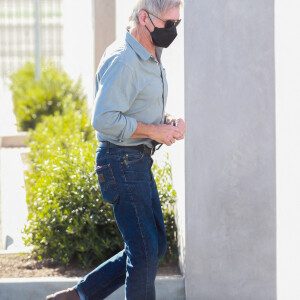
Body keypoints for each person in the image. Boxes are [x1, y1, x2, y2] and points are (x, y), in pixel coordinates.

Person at [46, 0, 185, 299]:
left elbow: (133, 107)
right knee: (145, 253)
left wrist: (166, 121)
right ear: (144, 18)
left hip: (135, 160)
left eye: (177, 23)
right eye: (168, 23)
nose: (172, 30)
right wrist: (154, 130)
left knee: (153, 246)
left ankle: (80, 295)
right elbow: (104, 119)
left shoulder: (150, 52)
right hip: (120, 161)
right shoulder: (124, 59)